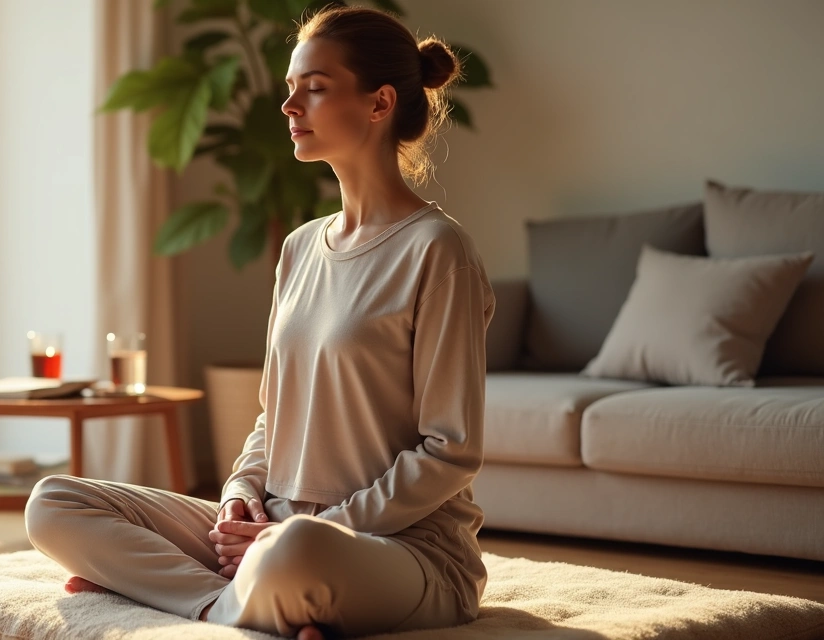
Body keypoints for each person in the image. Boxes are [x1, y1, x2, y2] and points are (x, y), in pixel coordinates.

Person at [24, 5, 494, 638]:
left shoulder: (438, 250)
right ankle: (239, 604)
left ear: (380, 103)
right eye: (290, 87)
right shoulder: (300, 248)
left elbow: (449, 451)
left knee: (295, 553)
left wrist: (313, 530)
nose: (289, 105)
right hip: (268, 528)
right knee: (54, 504)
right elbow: (274, 416)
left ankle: (209, 596)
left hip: (399, 549)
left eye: (315, 88)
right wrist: (239, 497)